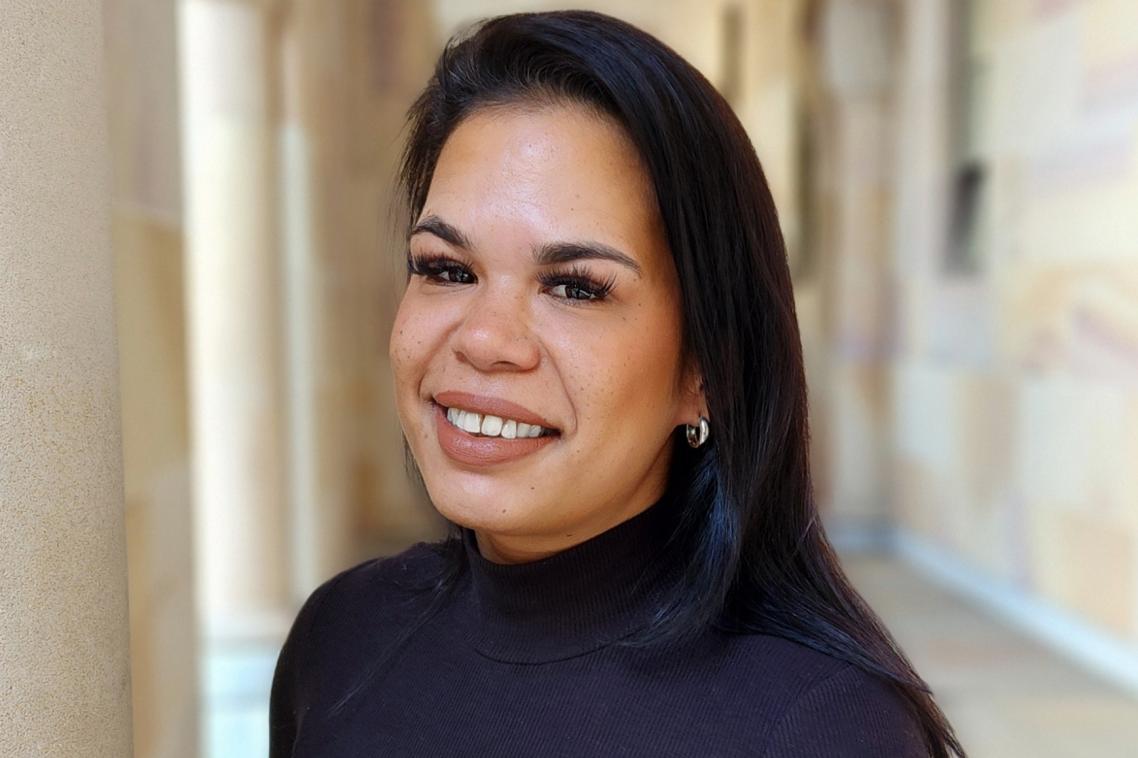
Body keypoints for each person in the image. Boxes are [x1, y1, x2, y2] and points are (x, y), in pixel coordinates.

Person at [269, 10, 964, 757]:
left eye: (574, 287)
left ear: (706, 371)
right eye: (446, 269)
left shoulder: (823, 729)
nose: (482, 339)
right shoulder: (339, 640)